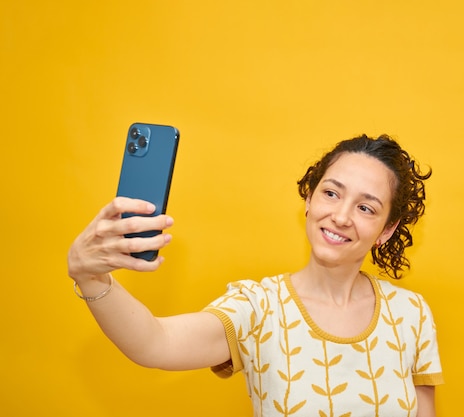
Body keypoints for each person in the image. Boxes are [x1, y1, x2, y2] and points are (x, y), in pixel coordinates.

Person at [68, 134, 444, 417]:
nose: (342, 216)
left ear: (386, 230)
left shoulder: (411, 314)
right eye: (331, 193)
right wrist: (91, 277)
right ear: (310, 199)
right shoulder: (259, 307)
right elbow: (155, 343)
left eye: (365, 207)